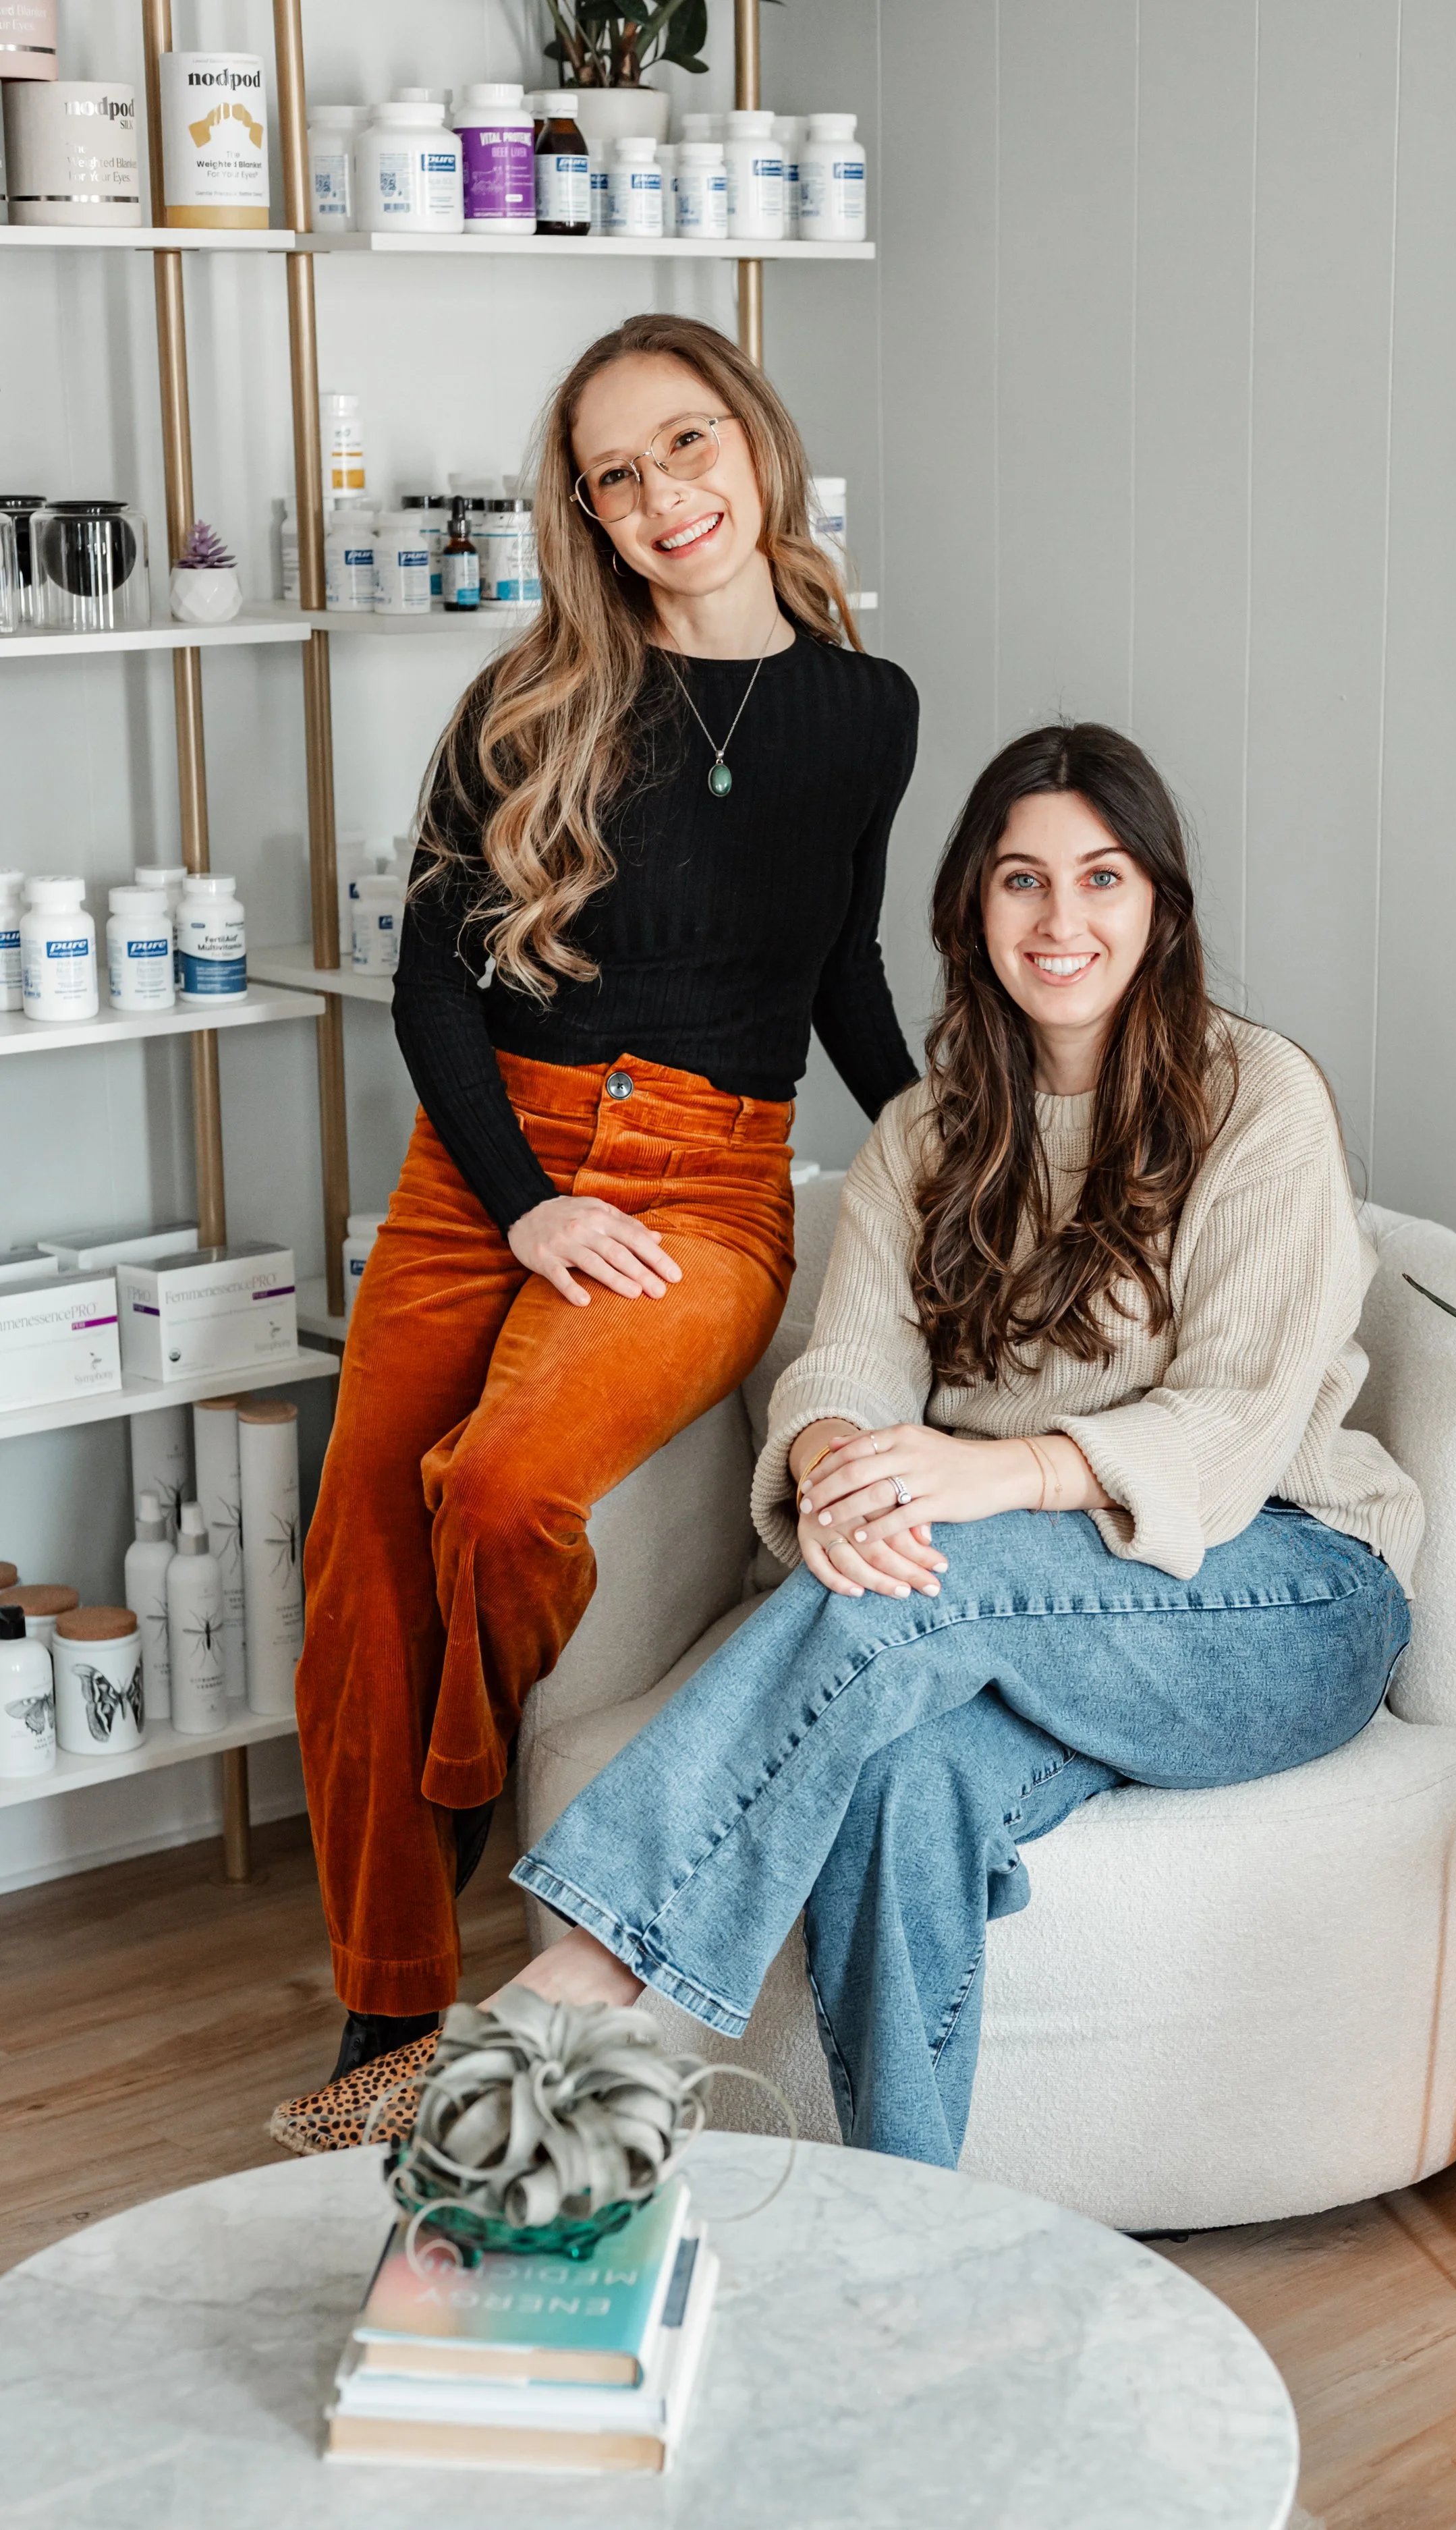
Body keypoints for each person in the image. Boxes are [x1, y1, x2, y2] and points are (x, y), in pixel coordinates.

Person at [482, 719, 1424, 2172]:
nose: (1062, 921)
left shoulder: (1255, 1098)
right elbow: (845, 1364)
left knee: (939, 1579)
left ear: (1159, 906)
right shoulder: (925, 1135)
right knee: (905, 1785)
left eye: (1103, 880)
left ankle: (585, 1971)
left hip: (1277, 1595)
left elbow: (1234, 1423)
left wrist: (992, 1475)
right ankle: (906, 2217)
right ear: (967, 910)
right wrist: (838, 1480)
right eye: (1020, 881)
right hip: (1024, 1601)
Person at [287, 312, 920, 2106]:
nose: (661, 496)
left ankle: (464, 1774)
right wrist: (525, 1203)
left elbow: (840, 971)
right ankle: (391, 2006)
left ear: (756, 442)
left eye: (686, 444)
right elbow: (426, 983)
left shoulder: (864, 708)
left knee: (494, 1489)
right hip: (488, 1164)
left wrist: (948, 1153)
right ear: (589, 511)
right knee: (357, 1558)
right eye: (616, 474)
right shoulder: (532, 692)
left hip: (711, 1176)